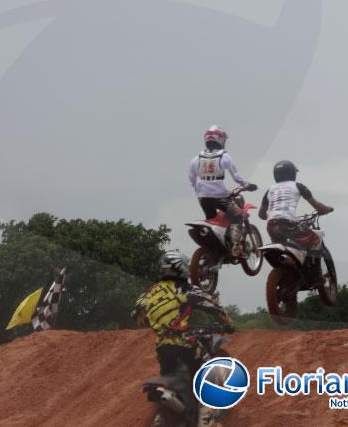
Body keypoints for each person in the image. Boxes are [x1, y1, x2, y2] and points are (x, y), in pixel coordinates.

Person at [132, 250, 234, 426]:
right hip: (187, 343)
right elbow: (213, 305)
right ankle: (206, 417)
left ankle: (164, 417)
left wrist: (158, 322)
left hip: (163, 347)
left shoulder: (149, 293)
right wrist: (229, 324)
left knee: (173, 378)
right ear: (181, 268)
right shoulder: (186, 289)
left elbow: (136, 315)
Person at [188, 125, 256, 258]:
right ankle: (236, 247)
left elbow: (191, 178)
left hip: (203, 198)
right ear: (220, 140)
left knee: (213, 221)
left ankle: (217, 246)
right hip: (220, 197)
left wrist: (198, 190)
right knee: (238, 216)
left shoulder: (197, 158)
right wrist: (247, 185)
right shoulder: (224, 156)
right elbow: (236, 176)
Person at [259, 160, 333, 246]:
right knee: (315, 238)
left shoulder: (270, 190)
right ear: (292, 173)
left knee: (281, 245)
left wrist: (275, 216)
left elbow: (261, 215)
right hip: (288, 224)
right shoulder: (298, 186)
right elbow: (317, 206)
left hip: (271, 226)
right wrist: (326, 209)